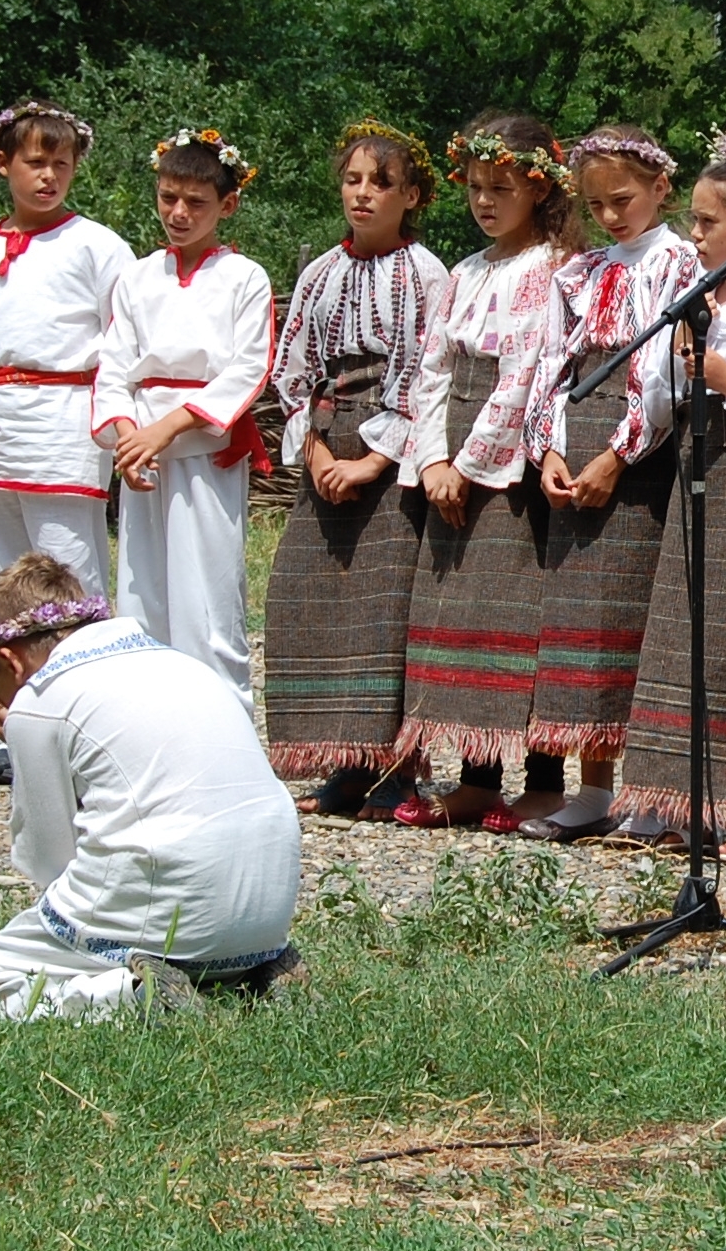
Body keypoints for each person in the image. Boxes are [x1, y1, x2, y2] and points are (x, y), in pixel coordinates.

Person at [0, 556, 301, 1019]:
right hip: (269, 910)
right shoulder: (180, 662)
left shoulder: (39, 701)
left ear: (8, 660)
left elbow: (46, 859)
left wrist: (18, 737)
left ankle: (128, 996)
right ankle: (250, 976)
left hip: (168, 895)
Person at [515, 127, 702, 839]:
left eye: (623, 199)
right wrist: (548, 449)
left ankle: (650, 791)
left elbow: (660, 371)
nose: (612, 216)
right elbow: (549, 364)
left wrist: (618, 455)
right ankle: (592, 790)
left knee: (631, 625)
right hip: (578, 441)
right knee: (580, 625)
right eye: (596, 205)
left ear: (660, 187)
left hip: (639, 456)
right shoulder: (581, 271)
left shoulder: (677, 261)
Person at [394, 114, 576, 824]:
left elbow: (523, 371)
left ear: (538, 190)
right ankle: (474, 774)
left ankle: (542, 778)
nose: (484, 200)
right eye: (473, 187)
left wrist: (470, 465)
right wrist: (433, 457)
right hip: (454, 452)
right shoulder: (464, 273)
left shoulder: (552, 266)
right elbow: (431, 368)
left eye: (500, 187)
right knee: (459, 615)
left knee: (515, 617)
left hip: (509, 459)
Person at [264, 121, 449, 817]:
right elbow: (294, 370)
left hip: (388, 461)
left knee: (381, 610)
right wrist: (315, 450)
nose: (364, 194)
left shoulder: (425, 274)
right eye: (353, 180)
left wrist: (373, 460)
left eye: (381, 183)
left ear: (411, 196)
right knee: (310, 598)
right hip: (326, 441)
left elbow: (426, 372)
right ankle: (339, 762)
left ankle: (393, 768)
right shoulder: (321, 273)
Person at [0, 99, 134, 785]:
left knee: (68, 569)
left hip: (62, 417)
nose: (49, 176)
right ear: (4, 164)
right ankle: (14, 727)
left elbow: (123, 335)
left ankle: (82, 727)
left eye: (62, 163)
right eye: (35, 162)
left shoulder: (97, 245)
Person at [616, 132, 726, 848]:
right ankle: (664, 795)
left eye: (708, 221)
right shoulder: (691, 296)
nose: (694, 234)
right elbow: (657, 389)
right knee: (678, 631)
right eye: (689, 219)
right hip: (692, 460)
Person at [94, 130, 277, 711]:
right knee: (141, 595)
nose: (178, 213)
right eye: (168, 197)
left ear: (228, 205)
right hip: (140, 455)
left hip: (200, 450)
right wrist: (128, 436)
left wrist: (165, 429)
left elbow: (248, 368)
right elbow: (113, 364)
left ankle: (224, 729)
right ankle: (151, 727)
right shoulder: (138, 276)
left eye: (195, 202)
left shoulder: (244, 278)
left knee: (207, 598)